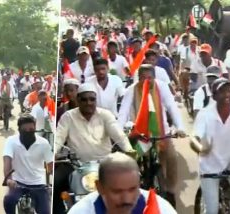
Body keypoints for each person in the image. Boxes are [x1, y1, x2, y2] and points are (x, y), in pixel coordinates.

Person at [54, 83, 136, 214]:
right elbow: (58, 138)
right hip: (75, 165)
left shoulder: (105, 115)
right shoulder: (68, 117)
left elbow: (118, 135)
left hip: (105, 164)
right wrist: (54, 153)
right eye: (84, 99)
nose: (88, 103)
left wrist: (129, 150)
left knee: (128, 184)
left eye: (92, 99)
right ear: (77, 100)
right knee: (55, 183)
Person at [117, 64, 186, 207]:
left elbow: (172, 107)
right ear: (138, 78)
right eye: (143, 78)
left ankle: (170, 190)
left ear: (154, 77)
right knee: (130, 163)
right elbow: (123, 112)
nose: (146, 81)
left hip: (162, 133)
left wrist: (180, 127)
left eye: (149, 78)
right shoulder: (132, 90)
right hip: (140, 134)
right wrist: (119, 131)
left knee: (172, 157)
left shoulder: (161, 87)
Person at [191, 78, 230, 214]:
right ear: (214, 96)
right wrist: (201, 148)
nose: (227, 94)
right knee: (212, 210)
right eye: (222, 91)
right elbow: (194, 139)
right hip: (210, 166)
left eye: (229, 91)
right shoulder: (205, 114)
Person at [68, 152, 177, 214]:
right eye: (117, 192)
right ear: (100, 187)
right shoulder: (81, 211)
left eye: (132, 189)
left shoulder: (162, 209)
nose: (126, 199)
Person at [3, 114, 53, 214]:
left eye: (31, 129)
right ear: (19, 130)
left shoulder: (44, 143)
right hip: (17, 183)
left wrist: (51, 179)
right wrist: (8, 179)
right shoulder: (11, 141)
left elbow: (50, 165)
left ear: (35, 128)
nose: (28, 132)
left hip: (39, 183)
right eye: (24, 130)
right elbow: (7, 161)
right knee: (8, 200)